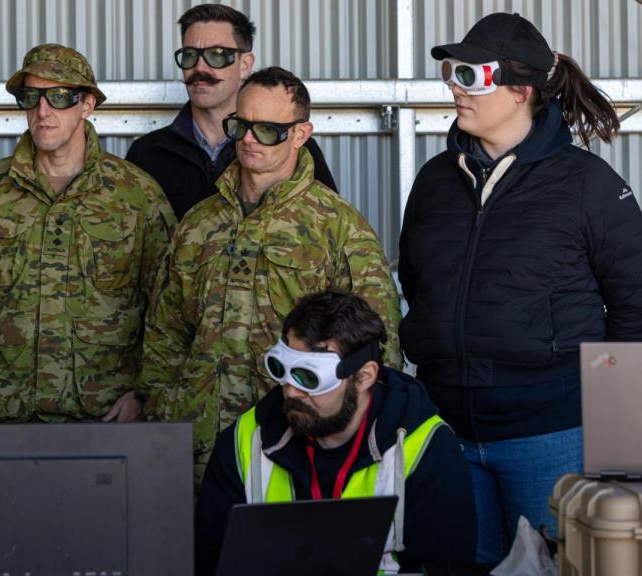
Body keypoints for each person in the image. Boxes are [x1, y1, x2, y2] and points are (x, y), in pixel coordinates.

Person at [399, 12, 642, 563]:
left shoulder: (589, 185)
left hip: (551, 435)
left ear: (521, 90)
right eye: (452, 73)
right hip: (446, 432)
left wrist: (620, 451)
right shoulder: (435, 181)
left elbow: (635, 306)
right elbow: (418, 285)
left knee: (557, 567)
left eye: (471, 75)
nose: (455, 88)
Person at [139, 66, 400, 484]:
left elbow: (378, 346)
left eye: (267, 130)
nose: (246, 139)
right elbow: (164, 334)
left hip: (293, 448)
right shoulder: (199, 224)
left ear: (300, 134)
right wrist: (165, 409)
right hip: (196, 451)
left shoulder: (336, 226)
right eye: (240, 125)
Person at [0, 43, 176, 423]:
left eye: (60, 97)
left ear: (87, 105)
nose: (43, 111)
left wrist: (145, 391)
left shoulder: (136, 195)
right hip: (6, 409)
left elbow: (172, 305)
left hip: (105, 412)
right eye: (31, 97)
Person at [195, 290, 475, 575]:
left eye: (309, 378)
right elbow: (209, 559)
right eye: (282, 370)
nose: (291, 392)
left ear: (364, 376)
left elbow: (446, 566)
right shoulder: (246, 439)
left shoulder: (426, 446)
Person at [126, 3, 337, 219]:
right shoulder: (146, 154)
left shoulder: (291, 146)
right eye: (189, 55)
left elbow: (330, 225)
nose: (199, 68)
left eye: (216, 55)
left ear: (245, 64)